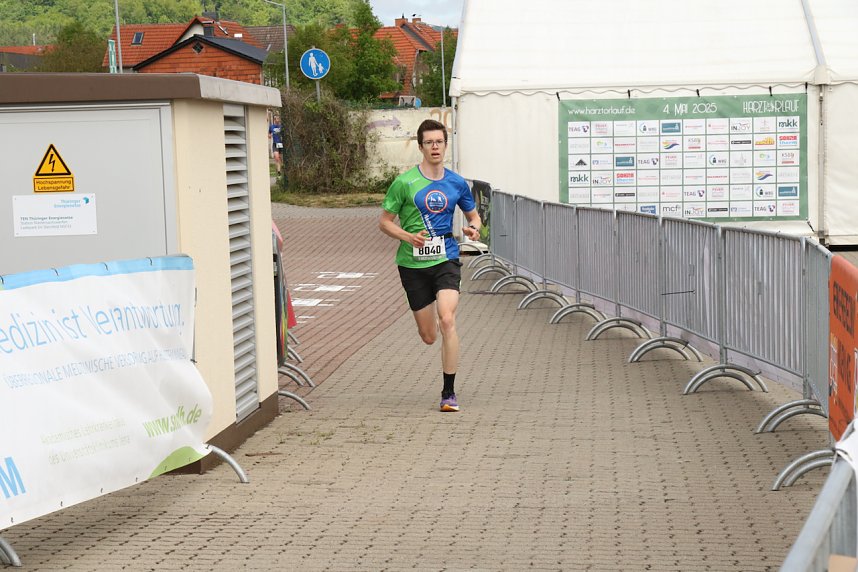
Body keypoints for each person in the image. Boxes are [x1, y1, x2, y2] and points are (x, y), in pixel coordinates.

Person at [379, 119, 482, 412]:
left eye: (439, 142)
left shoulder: (456, 182)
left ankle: (449, 393)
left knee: (447, 319)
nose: (435, 147)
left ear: (445, 145)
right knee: (428, 336)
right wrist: (408, 236)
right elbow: (384, 223)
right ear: (421, 146)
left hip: (445, 257)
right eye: (429, 143)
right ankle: (432, 331)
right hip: (412, 264)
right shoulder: (404, 183)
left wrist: (474, 229)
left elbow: (474, 217)